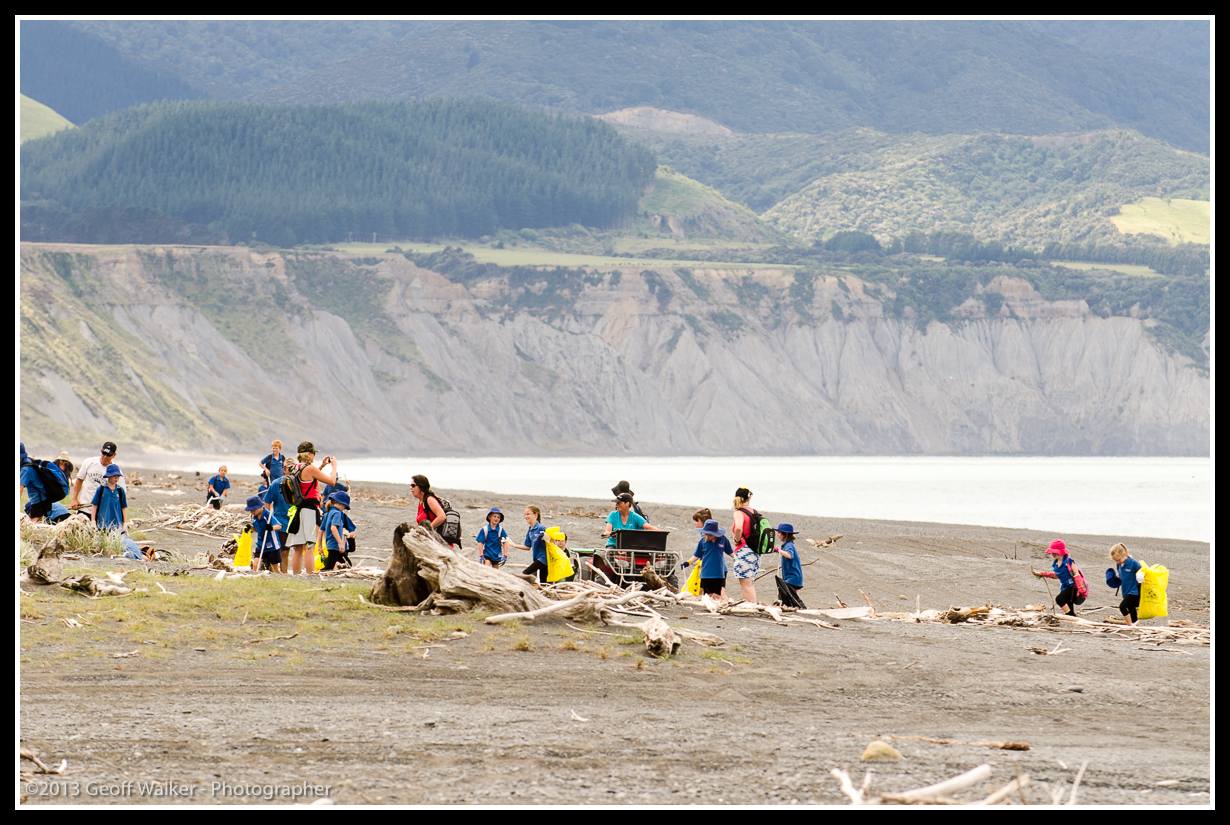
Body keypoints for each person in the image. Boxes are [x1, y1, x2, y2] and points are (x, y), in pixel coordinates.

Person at [283, 441, 339, 576]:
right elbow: (332, 481)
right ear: (308, 454)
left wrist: (322, 466)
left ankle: (296, 574)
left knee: (298, 548)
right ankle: (310, 574)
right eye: (313, 453)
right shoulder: (310, 469)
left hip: (298, 509)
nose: (314, 455)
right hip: (309, 509)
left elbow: (308, 477)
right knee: (309, 545)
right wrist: (334, 466)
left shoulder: (295, 467)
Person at [1032, 539, 1087, 617]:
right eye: (1052, 552)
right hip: (1065, 587)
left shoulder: (1069, 561)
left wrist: (1081, 589)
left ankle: (1069, 614)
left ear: (1061, 551)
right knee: (1068, 604)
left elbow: (1076, 574)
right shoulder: (1056, 563)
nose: (1053, 554)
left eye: (1055, 552)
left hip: (1073, 586)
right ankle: (1071, 616)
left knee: (1059, 599)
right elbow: (1057, 575)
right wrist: (1042, 574)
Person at [70, 441, 125, 514]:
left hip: (103, 511)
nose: (105, 457)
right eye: (104, 453)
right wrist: (74, 499)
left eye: (108, 455)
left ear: (114, 455)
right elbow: (79, 480)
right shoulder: (89, 462)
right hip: (84, 507)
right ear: (101, 450)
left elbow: (121, 492)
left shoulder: (116, 471)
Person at [683, 519, 734, 599]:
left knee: (717, 596)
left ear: (716, 534)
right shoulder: (702, 542)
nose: (707, 536)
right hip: (706, 574)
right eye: (706, 534)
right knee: (707, 596)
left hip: (719, 574)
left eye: (710, 535)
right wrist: (688, 562)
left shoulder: (723, 539)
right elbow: (696, 555)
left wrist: (737, 558)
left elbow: (730, 552)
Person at [262, 460, 294, 573]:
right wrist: (268, 520)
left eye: (293, 468)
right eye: (288, 468)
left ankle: (283, 574)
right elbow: (267, 502)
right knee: (278, 551)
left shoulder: (298, 484)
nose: (291, 470)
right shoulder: (276, 483)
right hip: (279, 522)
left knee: (286, 551)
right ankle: (275, 573)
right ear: (284, 469)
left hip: (293, 523)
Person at [730, 487, 761, 605]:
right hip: (755, 550)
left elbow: (738, 528)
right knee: (749, 582)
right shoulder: (754, 512)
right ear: (749, 498)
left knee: (745, 582)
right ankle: (751, 603)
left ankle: (751, 605)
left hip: (744, 549)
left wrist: (737, 540)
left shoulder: (739, 512)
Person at [507, 505, 548, 583]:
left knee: (524, 574)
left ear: (535, 514)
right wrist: (513, 544)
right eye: (525, 514)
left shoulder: (541, 528)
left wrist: (545, 537)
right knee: (543, 582)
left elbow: (550, 541)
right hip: (537, 559)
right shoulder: (530, 530)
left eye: (528, 514)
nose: (526, 516)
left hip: (543, 559)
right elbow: (527, 547)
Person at [1107, 543, 1146, 625]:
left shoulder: (1133, 563)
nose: (1117, 562)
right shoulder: (1119, 565)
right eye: (1115, 561)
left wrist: (1141, 574)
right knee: (1131, 608)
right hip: (1125, 591)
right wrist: (1116, 578)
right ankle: (1134, 623)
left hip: (1134, 592)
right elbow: (1122, 576)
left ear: (1124, 554)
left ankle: (1129, 624)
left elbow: (1143, 571)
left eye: (1118, 560)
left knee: (1122, 607)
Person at [246, 494, 283, 572]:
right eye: (251, 510)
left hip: (272, 546)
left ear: (260, 507)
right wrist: (250, 529)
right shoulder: (254, 517)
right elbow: (257, 529)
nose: (252, 512)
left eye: (254, 510)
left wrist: (271, 528)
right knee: (255, 565)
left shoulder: (268, 515)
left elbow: (279, 526)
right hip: (260, 544)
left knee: (274, 569)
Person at [773, 523, 806, 608]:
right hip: (790, 578)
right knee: (785, 595)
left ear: (785, 534)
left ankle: (803, 609)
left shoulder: (789, 545)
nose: (777, 534)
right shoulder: (786, 545)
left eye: (779, 532)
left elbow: (789, 555)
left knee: (791, 597)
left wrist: (779, 550)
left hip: (793, 578)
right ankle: (784, 607)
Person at [410, 474, 450, 544]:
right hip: (430, 541)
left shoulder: (429, 499)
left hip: (440, 543)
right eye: (410, 485)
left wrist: (427, 530)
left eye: (413, 485)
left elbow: (442, 517)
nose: (411, 488)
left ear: (421, 487)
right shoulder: (421, 501)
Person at [320, 491, 353, 571]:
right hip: (335, 545)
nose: (344, 509)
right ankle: (319, 575)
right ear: (340, 503)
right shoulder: (337, 513)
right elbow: (333, 528)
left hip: (329, 544)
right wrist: (340, 543)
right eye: (344, 506)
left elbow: (321, 530)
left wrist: (320, 545)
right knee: (329, 566)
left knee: (345, 563)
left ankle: (337, 569)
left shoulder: (328, 513)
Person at [19, 443, 52, 522]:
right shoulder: (29, 462)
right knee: (37, 524)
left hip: (39, 502)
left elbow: (19, 489)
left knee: (32, 525)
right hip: (44, 500)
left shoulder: (26, 469)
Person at [91, 464, 128, 533]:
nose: (116, 478)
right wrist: (93, 521)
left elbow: (123, 507)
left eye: (118, 476)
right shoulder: (101, 489)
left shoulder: (120, 490)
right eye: (114, 476)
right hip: (102, 524)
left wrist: (125, 522)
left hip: (117, 525)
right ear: (108, 476)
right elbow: (94, 505)